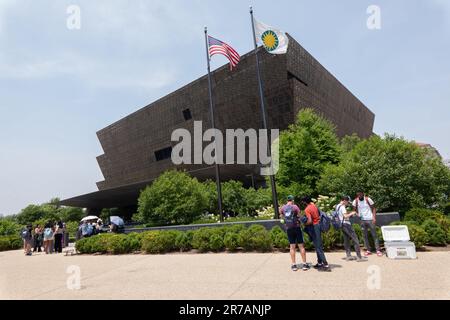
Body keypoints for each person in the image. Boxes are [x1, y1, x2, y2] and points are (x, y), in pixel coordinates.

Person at [279, 195, 309, 272]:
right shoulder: (295, 207)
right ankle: (304, 264)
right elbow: (299, 215)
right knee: (301, 246)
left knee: (292, 247)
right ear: (292, 200)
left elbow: (281, 216)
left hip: (289, 229)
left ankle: (294, 265)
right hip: (297, 227)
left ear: (287, 200)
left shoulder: (283, 208)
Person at [301, 196, 331, 272]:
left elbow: (310, 221)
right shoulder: (314, 206)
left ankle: (326, 264)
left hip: (314, 227)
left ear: (305, 202)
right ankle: (319, 262)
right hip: (319, 225)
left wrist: (305, 224)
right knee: (317, 244)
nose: (302, 203)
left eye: (303, 202)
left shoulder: (307, 209)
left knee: (318, 246)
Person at [336, 196, 367, 262]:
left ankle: (348, 255)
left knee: (346, 240)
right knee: (355, 239)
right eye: (347, 202)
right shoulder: (342, 207)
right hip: (346, 225)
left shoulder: (338, 206)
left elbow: (341, 215)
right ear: (344, 201)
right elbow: (345, 216)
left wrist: (350, 213)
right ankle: (359, 257)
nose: (348, 204)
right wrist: (352, 213)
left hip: (341, 225)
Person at [353, 192, 382, 257]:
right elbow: (354, 209)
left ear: (363, 194)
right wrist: (358, 215)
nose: (359, 196)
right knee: (364, 236)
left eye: (360, 194)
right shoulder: (355, 201)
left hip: (370, 219)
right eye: (358, 195)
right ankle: (368, 250)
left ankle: (378, 250)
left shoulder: (368, 199)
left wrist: (374, 217)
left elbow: (374, 208)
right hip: (362, 220)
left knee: (374, 235)